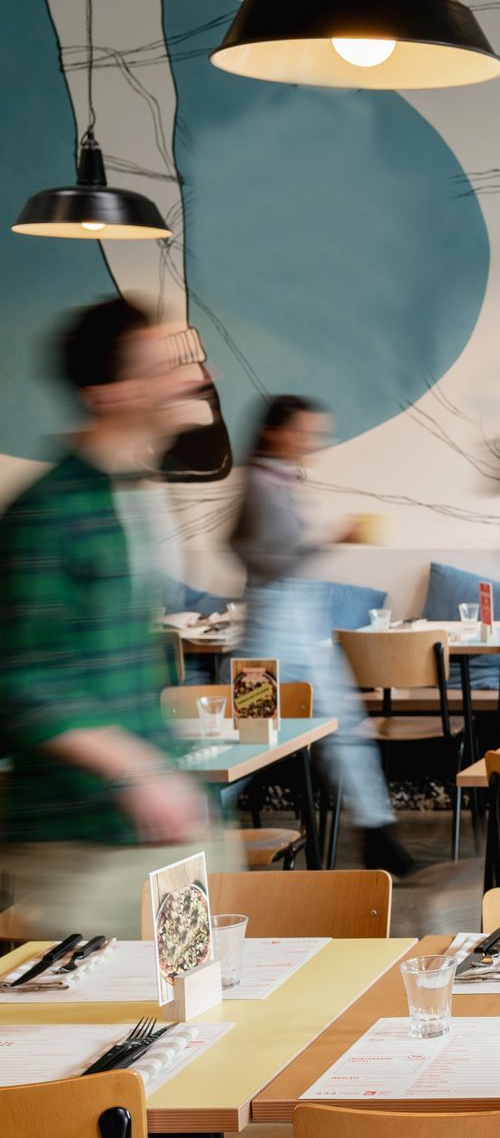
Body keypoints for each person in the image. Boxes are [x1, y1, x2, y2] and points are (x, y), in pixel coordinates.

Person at [0, 299, 216, 938]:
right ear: (108, 393)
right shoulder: (49, 515)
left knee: (191, 1020)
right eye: (159, 369)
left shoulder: (128, 493)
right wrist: (140, 772)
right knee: (109, 1032)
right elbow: (19, 682)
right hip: (82, 844)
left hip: (154, 830)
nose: (186, 380)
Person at [231, 394, 413, 876]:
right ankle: (378, 837)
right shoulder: (260, 484)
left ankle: (380, 836)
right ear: (274, 431)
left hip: (291, 617)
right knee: (251, 737)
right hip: (275, 620)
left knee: (328, 729)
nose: (312, 442)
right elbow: (262, 557)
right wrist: (333, 536)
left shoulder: (277, 482)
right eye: (303, 432)